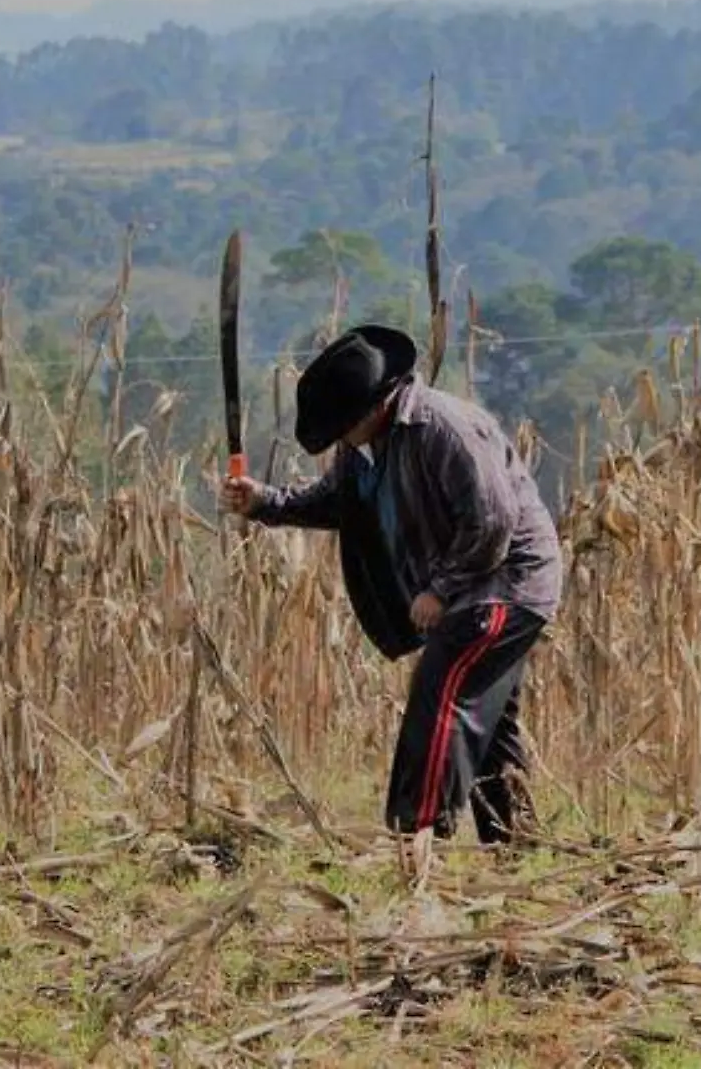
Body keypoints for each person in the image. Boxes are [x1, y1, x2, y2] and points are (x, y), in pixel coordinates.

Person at [219, 324, 563, 848]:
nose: (338, 437)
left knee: (441, 696)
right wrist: (262, 501)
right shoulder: (363, 448)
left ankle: (416, 836)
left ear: (373, 407)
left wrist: (441, 590)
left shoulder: (442, 428)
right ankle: (516, 841)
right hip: (470, 586)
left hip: (504, 583)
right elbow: (335, 503)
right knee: (486, 721)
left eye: (341, 425)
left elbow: (492, 521)